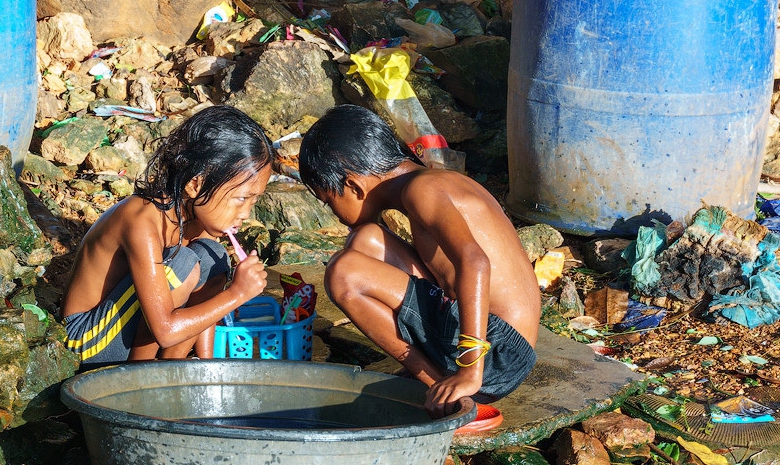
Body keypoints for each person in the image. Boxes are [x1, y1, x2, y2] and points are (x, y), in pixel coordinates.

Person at [298, 105, 539, 417]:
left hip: (495, 356)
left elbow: (475, 262)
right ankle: (439, 377)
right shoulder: (436, 180)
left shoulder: (422, 190)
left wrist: (470, 368)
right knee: (366, 240)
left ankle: (440, 389)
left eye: (330, 202)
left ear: (354, 186)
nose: (334, 212)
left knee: (344, 273)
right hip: (508, 348)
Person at [61, 105, 276, 369]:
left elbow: (205, 301)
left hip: (128, 332)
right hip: (87, 341)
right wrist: (237, 293)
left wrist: (207, 367)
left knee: (214, 256)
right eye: (241, 198)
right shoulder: (142, 222)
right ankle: (141, 378)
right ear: (195, 184)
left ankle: (174, 366)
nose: (245, 213)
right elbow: (164, 330)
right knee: (182, 263)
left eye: (254, 200)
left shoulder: (202, 217)